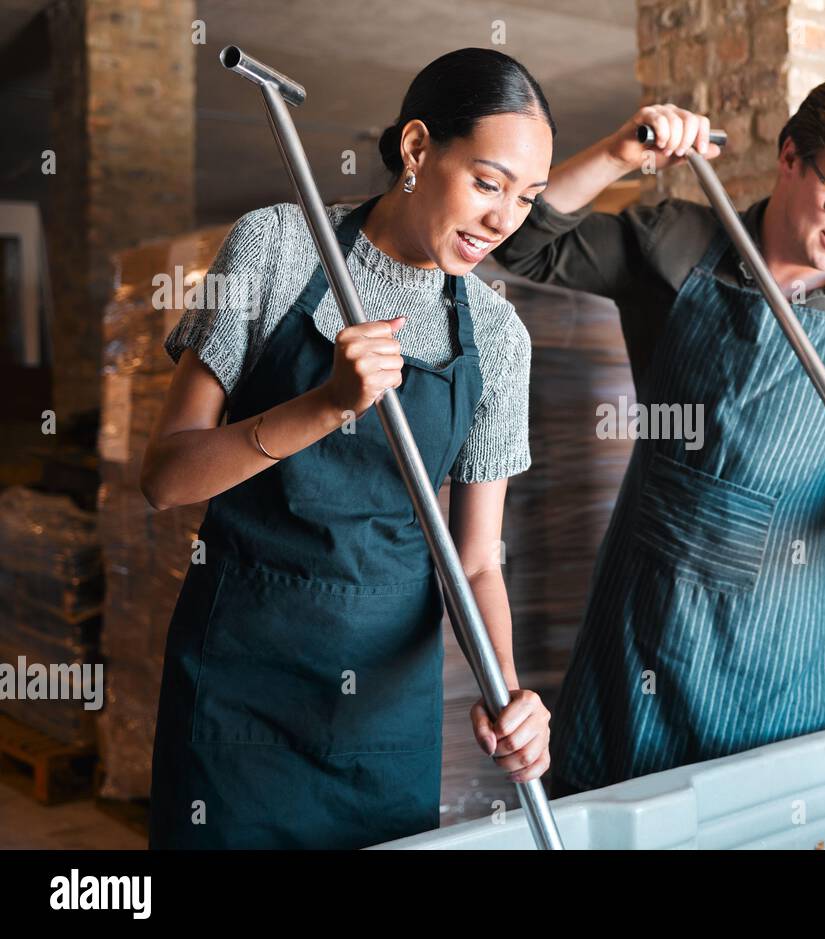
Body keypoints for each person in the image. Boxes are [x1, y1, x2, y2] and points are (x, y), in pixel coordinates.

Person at [494, 76, 825, 797]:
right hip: (641, 609)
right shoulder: (680, 240)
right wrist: (617, 153)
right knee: (610, 810)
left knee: (765, 816)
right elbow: (522, 245)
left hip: (774, 627)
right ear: (790, 157)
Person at [142, 48, 554, 848]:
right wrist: (326, 405)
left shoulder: (499, 337)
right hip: (239, 686)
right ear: (416, 149)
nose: (506, 219)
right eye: (488, 182)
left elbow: (473, 562)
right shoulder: (274, 249)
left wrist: (506, 688)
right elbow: (166, 477)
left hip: (382, 713)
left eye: (528, 198)